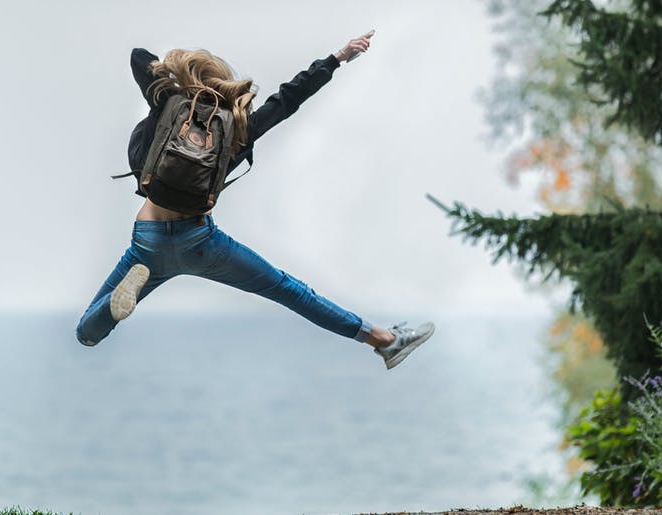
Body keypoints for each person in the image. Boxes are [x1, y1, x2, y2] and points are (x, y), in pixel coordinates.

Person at [75, 31, 434, 370]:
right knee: (290, 291)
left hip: (148, 241)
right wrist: (337, 58)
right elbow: (288, 99)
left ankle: (113, 307)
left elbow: (140, 57)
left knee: (86, 333)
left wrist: (177, 79)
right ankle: (384, 340)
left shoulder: (168, 104)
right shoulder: (237, 128)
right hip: (200, 242)